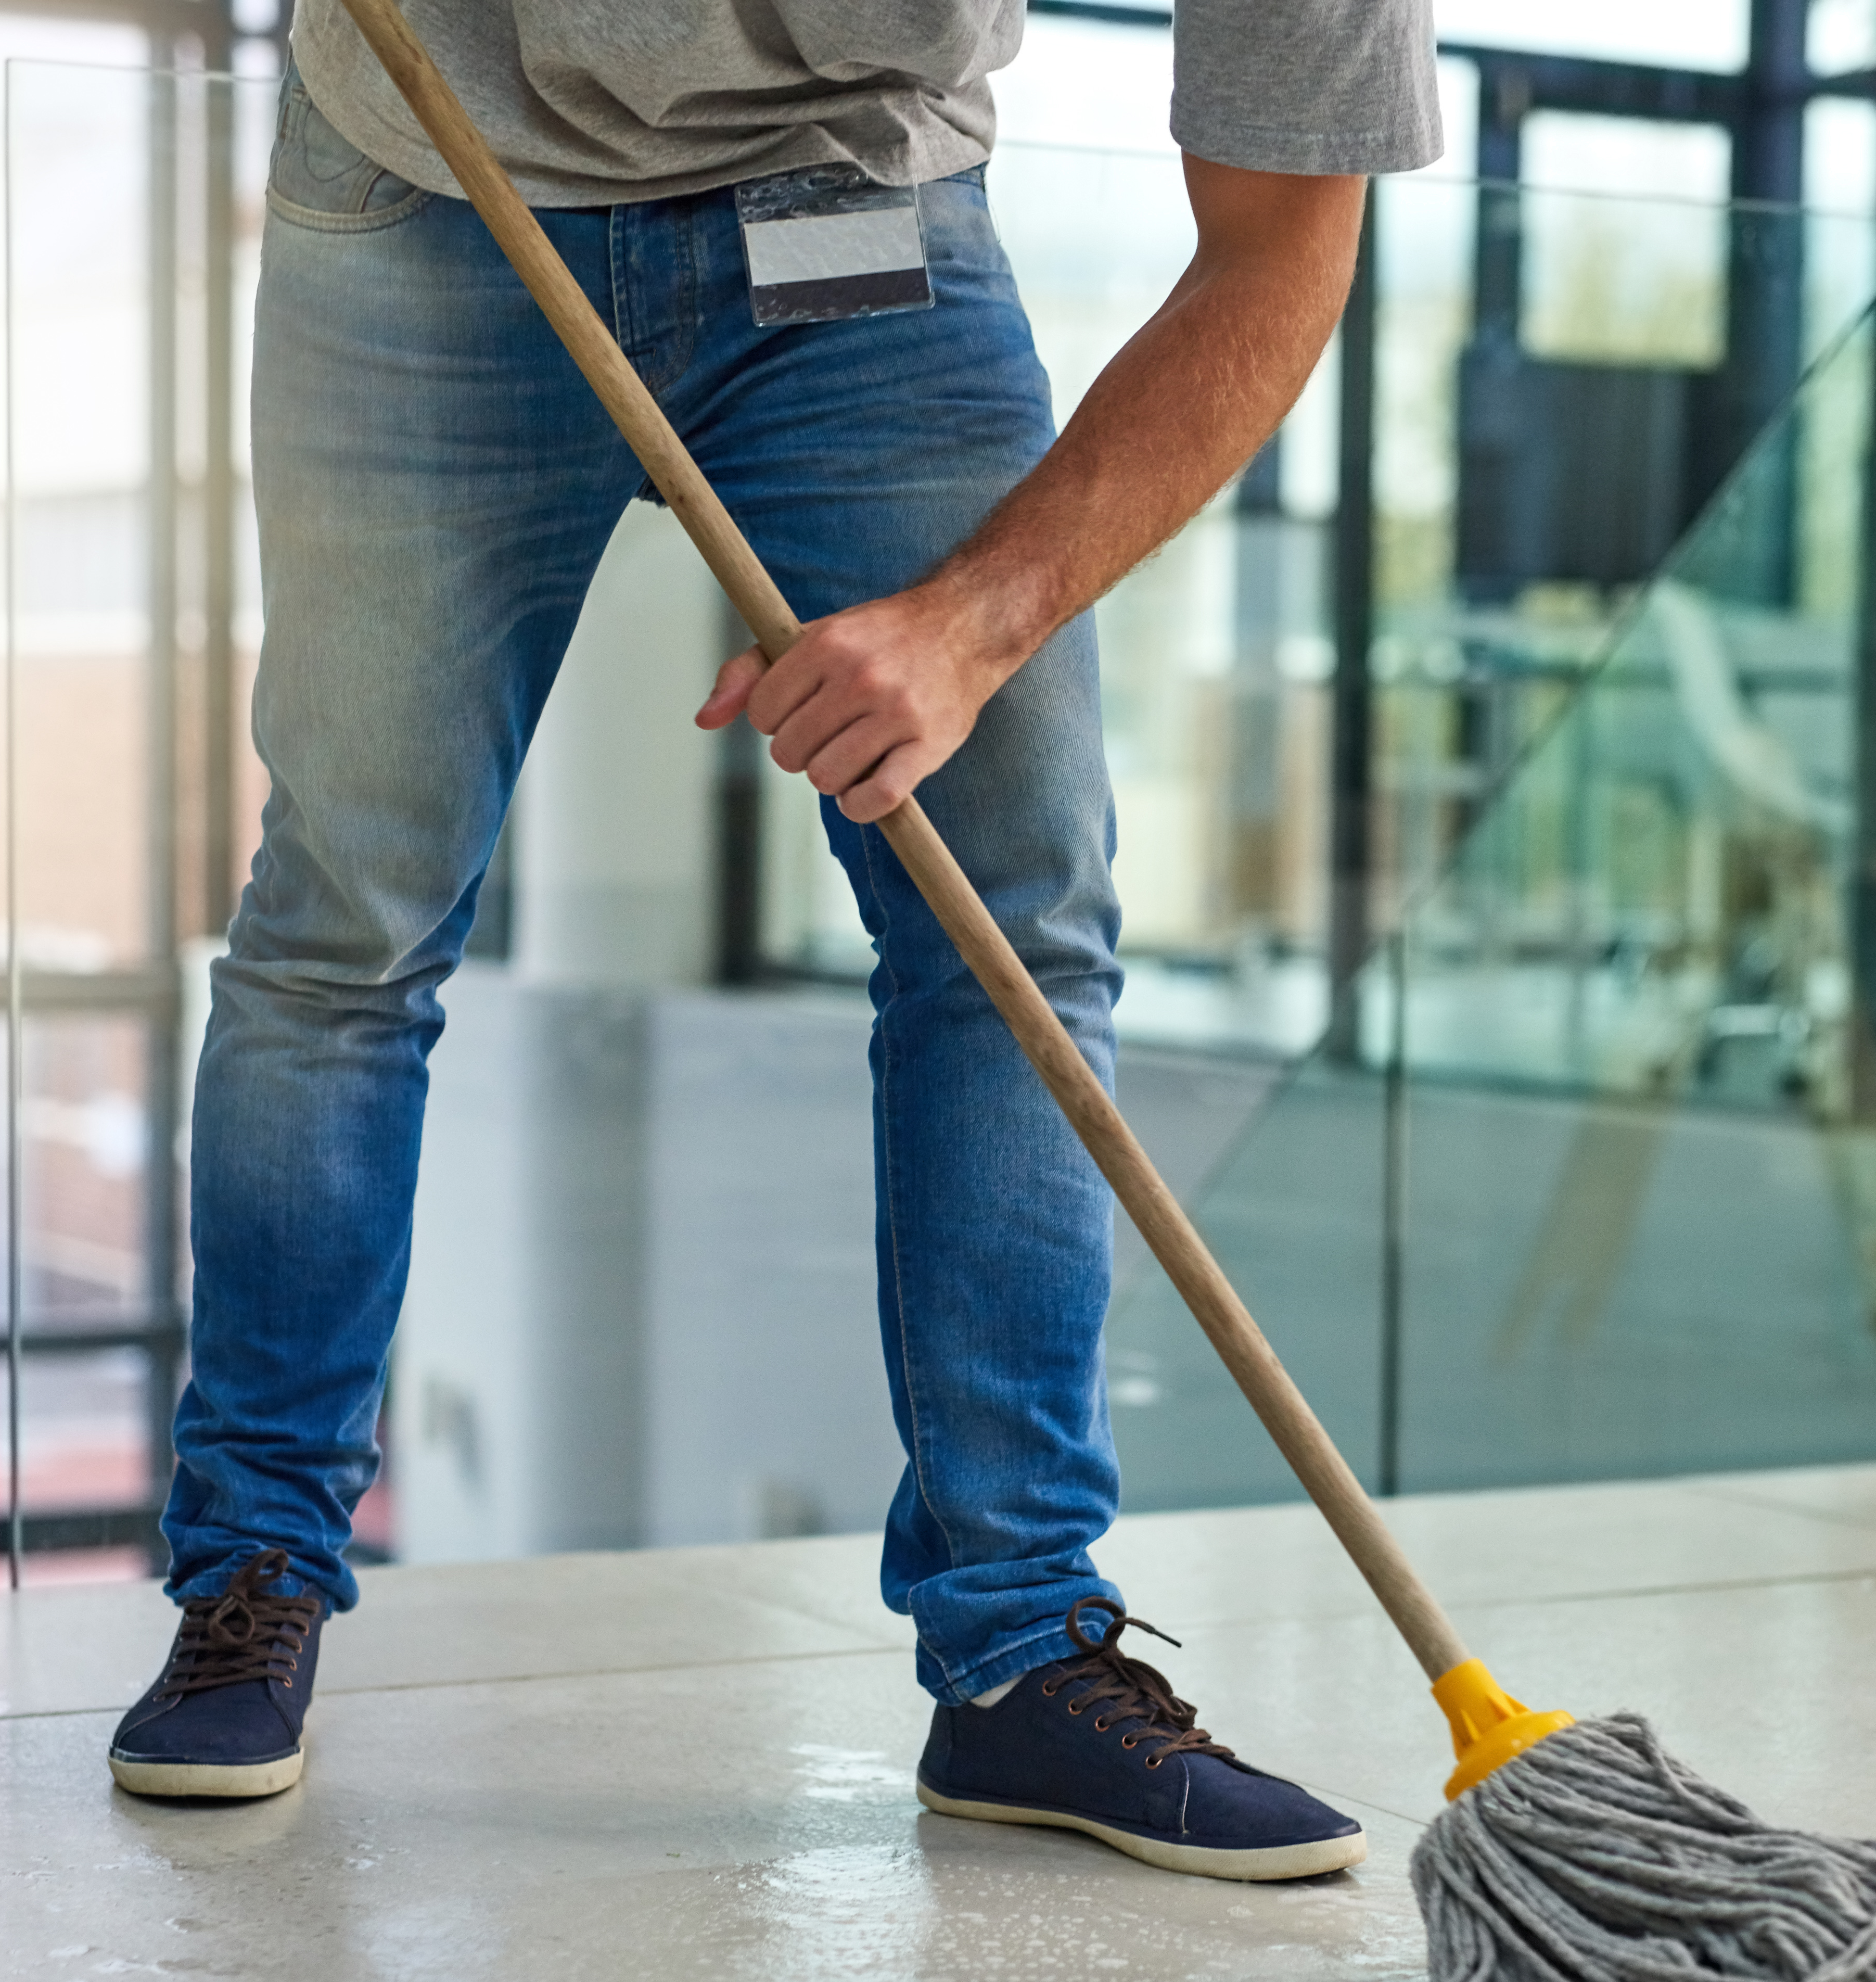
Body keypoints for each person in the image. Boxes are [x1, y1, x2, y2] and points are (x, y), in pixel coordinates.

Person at [100, 0, 1436, 1886]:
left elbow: (1284, 250)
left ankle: (1025, 1653)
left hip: (851, 215)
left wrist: (973, 625)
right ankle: (252, 1573)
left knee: (1010, 930)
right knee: (348, 920)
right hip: (425, 181)